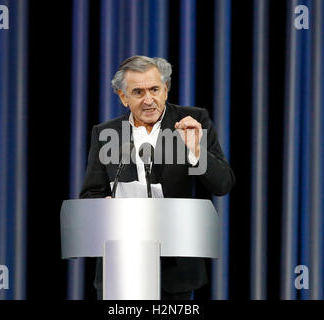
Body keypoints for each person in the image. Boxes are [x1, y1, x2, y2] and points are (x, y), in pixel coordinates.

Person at [79, 55, 235, 300]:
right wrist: (102, 207)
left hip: (175, 268)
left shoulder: (193, 121)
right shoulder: (106, 133)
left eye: (154, 89)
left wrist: (195, 151)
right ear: (123, 98)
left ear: (166, 90)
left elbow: (223, 184)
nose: (149, 100)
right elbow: (90, 193)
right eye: (138, 92)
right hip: (121, 265)